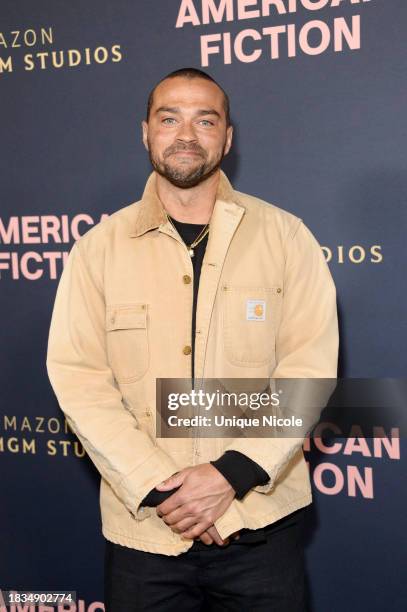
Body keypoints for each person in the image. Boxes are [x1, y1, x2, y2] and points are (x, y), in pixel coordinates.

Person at [46, 67, 339, 611]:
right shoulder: (97, 250)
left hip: (262, 526)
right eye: (169, 118)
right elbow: (79, 379)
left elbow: (309, 368)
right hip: (147, 533)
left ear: (226, 138)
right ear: (146, 132)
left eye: (205, 120)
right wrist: (164, 488)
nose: (186, 134)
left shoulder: (286, 236)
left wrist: (231, 474)